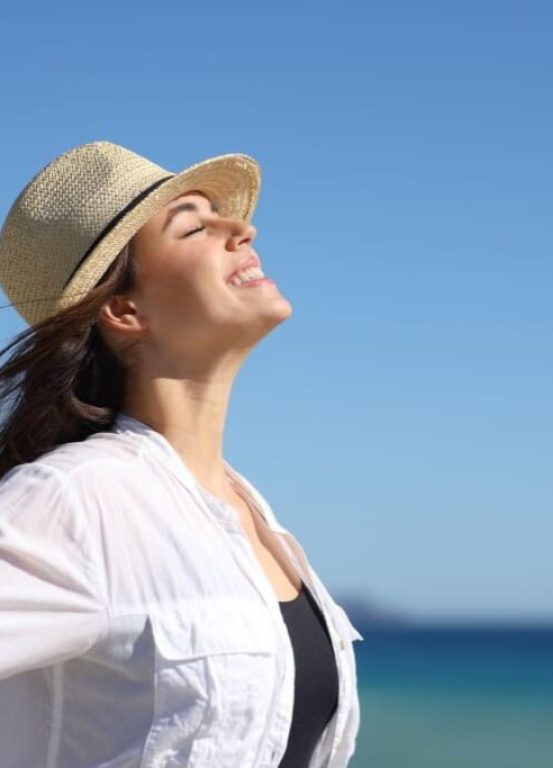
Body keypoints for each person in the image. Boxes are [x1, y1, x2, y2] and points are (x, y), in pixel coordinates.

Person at [0, 140, 364, 768]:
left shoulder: (251, 513)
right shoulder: (78, 500)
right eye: (193, 225)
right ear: (123, 309)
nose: (243, 227)